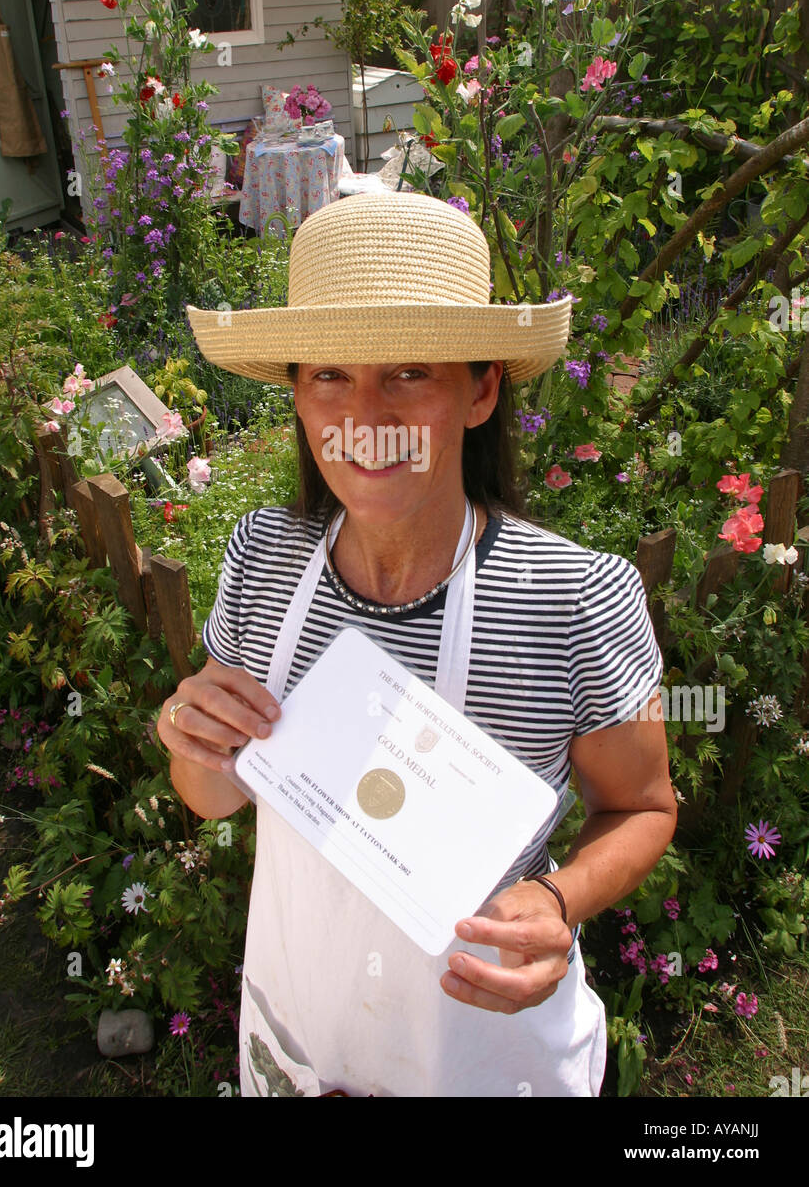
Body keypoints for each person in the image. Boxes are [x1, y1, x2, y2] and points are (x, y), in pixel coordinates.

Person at [159, 192, 676, 1098]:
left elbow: (641, 808)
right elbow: (213, 797)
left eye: (408, 373)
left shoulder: (576, 598)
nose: (363, 416)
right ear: (294, 390)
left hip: (481, 1049)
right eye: (328, 375)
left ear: (481, 389)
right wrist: (191, 742)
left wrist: (556, 902)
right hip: (301, 1026)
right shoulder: (264, 557)